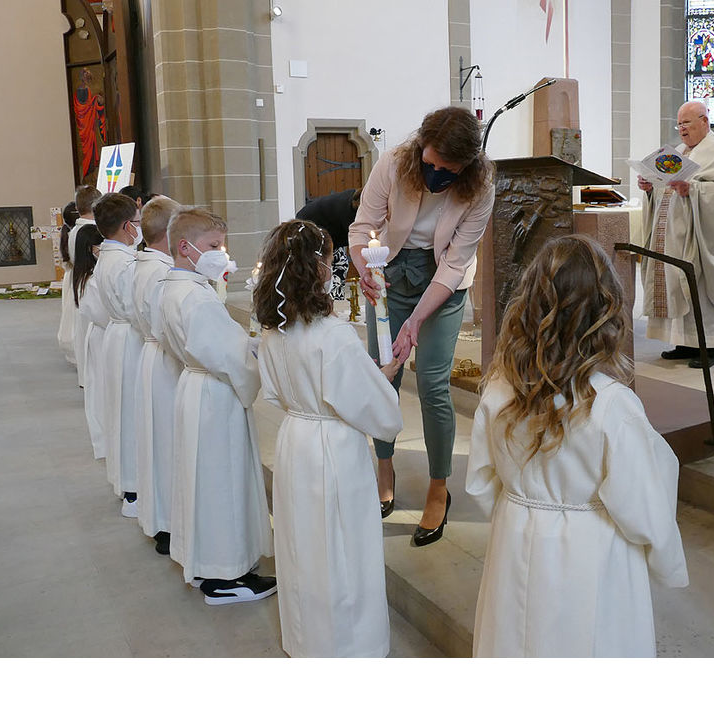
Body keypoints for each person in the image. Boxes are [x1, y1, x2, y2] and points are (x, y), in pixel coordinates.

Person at [465, 234, 688, 657]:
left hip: (515, 540)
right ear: (604, 315)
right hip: (591, 555)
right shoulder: (612, 407)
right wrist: (665, 557)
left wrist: (524, 507)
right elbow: (643, 505)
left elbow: (479, 482)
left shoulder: (498, 390)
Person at [253, 219, 404, 657]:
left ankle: (307, 640)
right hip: (332, 449)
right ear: (317, 268)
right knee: (340, 547)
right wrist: (384, 377)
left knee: (303, 544)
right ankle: (348, 647)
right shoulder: (332, 334)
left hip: (295, 438)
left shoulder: (272, 328)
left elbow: (277, 391)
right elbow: (377, 412)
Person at [348, 105, 495, 546]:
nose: (434, 174)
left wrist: (414, 320)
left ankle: (438, 486)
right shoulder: (394, 163)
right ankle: (385, 466)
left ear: (465, 167)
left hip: (442, 285)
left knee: (432, 384)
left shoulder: (481, 187)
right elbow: (362, 229)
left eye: (446, 170)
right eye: (429, 164)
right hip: (388, 274)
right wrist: (365, 271)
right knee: (383, 379)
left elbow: (455, 263)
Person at [160, 207, 276, 605]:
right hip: (214, 396)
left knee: (205, 482)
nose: (222, 253)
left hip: (195, 387)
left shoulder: (174, 288)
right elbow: (230, 358)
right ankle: (226, 575)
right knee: (222, 483)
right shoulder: (197, 298)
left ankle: (214, 563)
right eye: (213, 245)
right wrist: (259, 356)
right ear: (185, 247)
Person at [637, 100, 714, 368]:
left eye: (687, 123)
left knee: (699, 285)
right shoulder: (678, 152)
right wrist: (650, 186)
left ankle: (711, 346)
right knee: (677, 286)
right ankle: (685, 343)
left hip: (703, 236)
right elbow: (667, 187)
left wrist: (695, 190)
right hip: (675, 236)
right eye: (679, 124)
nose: (682, 129)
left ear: (704, 121)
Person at [131, 196, 182, 556]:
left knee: (157, 441)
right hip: (166, 361)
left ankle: (161, 518)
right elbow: (173, 330)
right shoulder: (164, 273)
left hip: (151, 356)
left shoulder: (142, 264)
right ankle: (168, 523)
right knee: (166, 443)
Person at [92, 192, 144, 517]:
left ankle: (127, 482)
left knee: (121, 409)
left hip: (116, 336)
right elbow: (135, 308)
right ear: (128, 226)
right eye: (137, 223)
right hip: (129, 338)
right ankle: (135, 489)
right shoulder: (125, 262)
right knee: (130, 412)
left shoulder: (107, 256)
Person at [73, 224, 108, 460]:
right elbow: (106, 316)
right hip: (103, 337)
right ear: (91, 249)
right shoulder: (90, 280)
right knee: (103, 393)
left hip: (104, 336)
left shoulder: (92, 277)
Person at [297, 186, 361, 300]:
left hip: (330, 232)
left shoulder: (353, 202)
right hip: (310, 226)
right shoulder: (347, 210)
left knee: (341, 263)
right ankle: (324, 300)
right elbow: (357, 238)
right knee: (322, 267)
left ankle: (335, 297)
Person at [71, 185, 102, 390]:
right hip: (86, 282)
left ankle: (86, 378)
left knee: (82, 339)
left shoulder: (75, 230)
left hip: (79, 277)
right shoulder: (88, 232)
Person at [57, 201, 80, 364]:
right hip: (75, 275)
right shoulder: (76, 235)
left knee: (69, 312)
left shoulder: (66, 232)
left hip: (69, 275)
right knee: (74, 313)